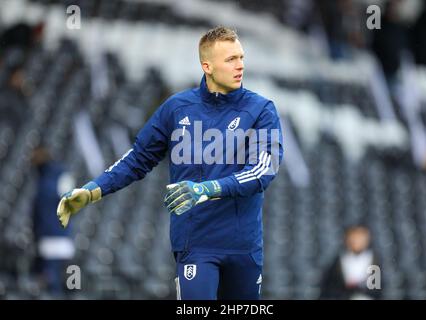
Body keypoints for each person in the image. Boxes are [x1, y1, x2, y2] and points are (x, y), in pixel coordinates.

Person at [56, 26, 284, 300]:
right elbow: (138, 158)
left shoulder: (261, 109)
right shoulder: (176, 108)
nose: (240, 66)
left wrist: (205, 189)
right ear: (207, 66)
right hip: (194, 243)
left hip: (243, 246)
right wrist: (93, 190)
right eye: (230, 59)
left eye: (241, 57)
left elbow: (263, 171)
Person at [31, 145, 76, 297]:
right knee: (58, 286)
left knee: (61, 286)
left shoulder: (53, 179)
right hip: (55, 239)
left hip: (54, 238)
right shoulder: (51, 178)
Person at [320, 225, 382, 300]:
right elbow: (330, 286)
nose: (357, 241)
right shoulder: (339, 260)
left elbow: (376, 288)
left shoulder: (373, 260)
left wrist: (360, 289)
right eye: (354, 237)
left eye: (361, 238)